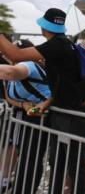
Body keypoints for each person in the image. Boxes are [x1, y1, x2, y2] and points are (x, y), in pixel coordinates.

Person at [0, 8, 85, 194]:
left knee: (72, 164)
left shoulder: (57, 45)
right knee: (58, 161)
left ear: (45, 28)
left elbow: (15, 56)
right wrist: (46, 103)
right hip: (64, 112)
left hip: (73, 116)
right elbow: (61, 84)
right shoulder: (63, 44)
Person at [0, 39, 52, 194]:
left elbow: (8, 72)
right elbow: (10, 98)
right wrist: (23, 106)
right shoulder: (17, 68)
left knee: (31, 159)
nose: (6, 50)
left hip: (45, 116)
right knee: (26, 158)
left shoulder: (28, 66)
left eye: (13, 48)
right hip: (32, 116)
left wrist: (31, 110)